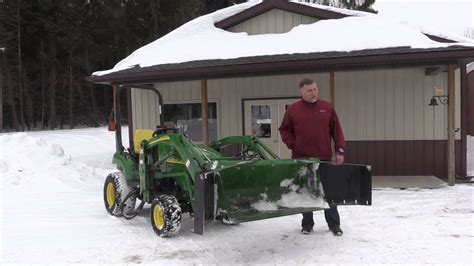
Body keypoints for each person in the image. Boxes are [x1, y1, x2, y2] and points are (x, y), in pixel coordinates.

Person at [278, 77, 346, 236]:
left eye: (315, 89)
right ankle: (307, 224)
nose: (313, 93)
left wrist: (339, 151)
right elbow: (284, 130)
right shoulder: (293, 109)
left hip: (323, 157)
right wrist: (292, 144)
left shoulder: (326, 107)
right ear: (301, 91)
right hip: (302, 158)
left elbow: (337, 131)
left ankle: (334, 225)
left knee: (329, 192)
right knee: (306, 192)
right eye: (309, 90)